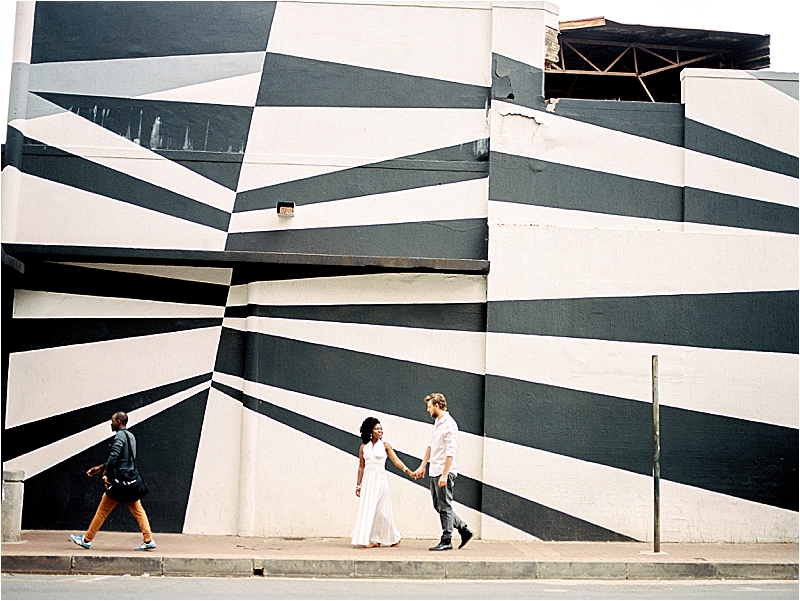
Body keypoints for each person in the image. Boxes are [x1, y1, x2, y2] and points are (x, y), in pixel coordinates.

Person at [69, 412, 155, 551]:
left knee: (102, 511)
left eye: (113, 421)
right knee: (138, 510)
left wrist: (105, 472)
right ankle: (148, 539)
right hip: (130, 481)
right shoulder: (131, 436)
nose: (111, 423)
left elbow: (114, 456)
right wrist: (100, 467)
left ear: (119, 421)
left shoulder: (119, 436)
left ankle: (86, 540)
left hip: (119, 482)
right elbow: (124, 459)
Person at [412, 393, 473, 551]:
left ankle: (447, 539)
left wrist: (445, 474)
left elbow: (450, 452)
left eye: (430, 406)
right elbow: (431, 446)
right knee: (438, 505)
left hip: (444, 471)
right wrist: (423, 466)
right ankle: (463, 528)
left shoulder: (449, 425)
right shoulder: (438, 422)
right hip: (434, 470)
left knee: (445, 506)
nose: (428, 409)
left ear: (437, 406)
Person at [351, 417, 414, 548]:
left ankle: (395, 536)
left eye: (381, 428)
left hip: (380, 480)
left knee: (381, 510)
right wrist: (358, 485)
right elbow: (361, 467)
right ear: (370, 431)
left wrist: (409, 471)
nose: (380, 431)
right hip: (368, 481)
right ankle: (375, 539)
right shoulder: (364, 447)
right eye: (377, 429)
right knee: (370, 509)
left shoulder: (385, 446)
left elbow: (396, 461)